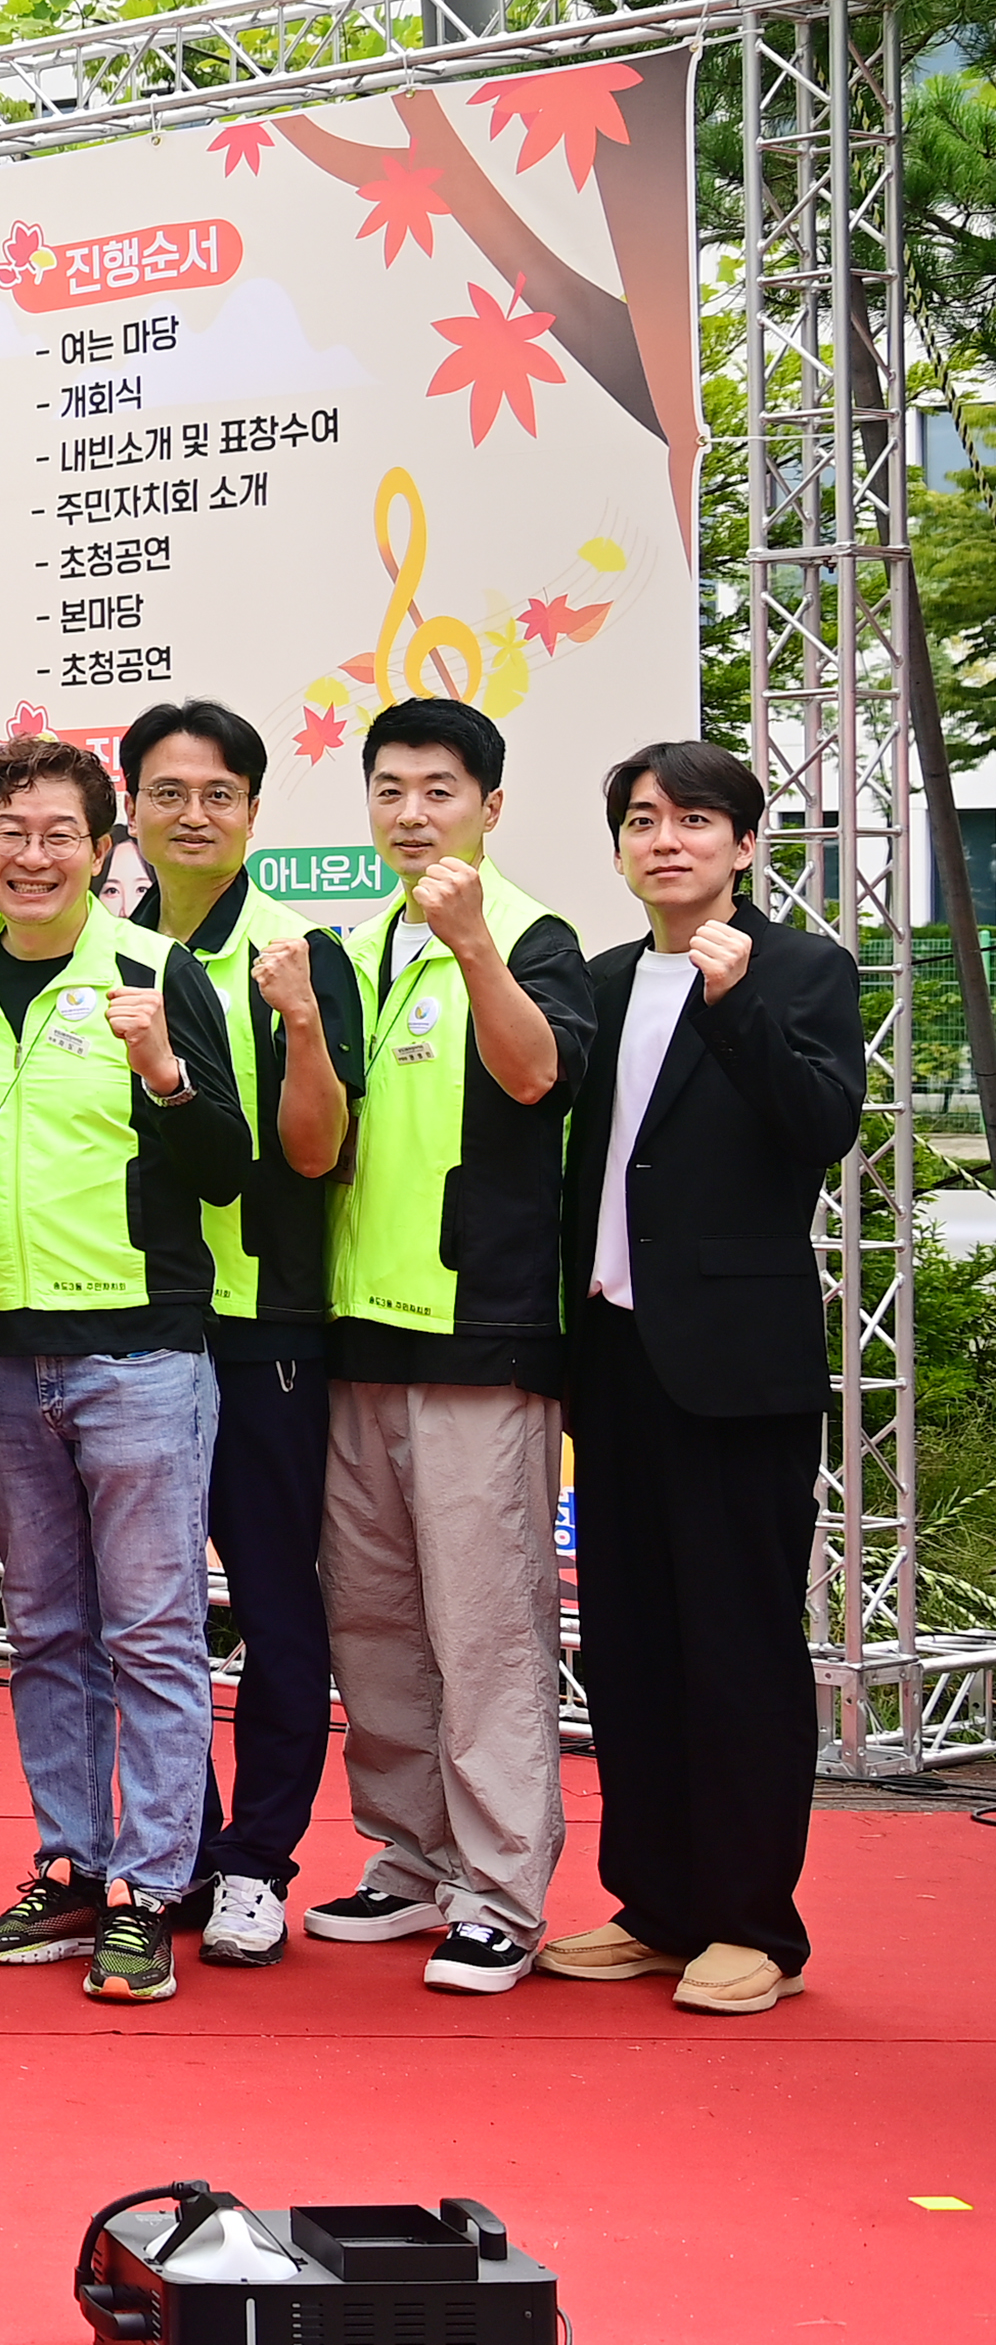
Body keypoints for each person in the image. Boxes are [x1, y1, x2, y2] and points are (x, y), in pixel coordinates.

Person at [0, 734, 249, 2007]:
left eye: (61, 832)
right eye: (11, 832)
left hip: (140, 1354)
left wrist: (163, 1070)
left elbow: (227, 1167)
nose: (35, 855)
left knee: (155, 1631)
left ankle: (154, 1887)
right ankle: (73, 1863)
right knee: (47, 1626)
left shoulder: (158, 973)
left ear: (104, 849)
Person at [545, 740, 856, 2015]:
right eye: (642, 820)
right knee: (629, 1645)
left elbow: (821, 1129)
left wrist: (736, 1012)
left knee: (738, 1647)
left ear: (743, 843)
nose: (665, 840)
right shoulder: (606, 980)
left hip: (737, 1368)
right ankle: (657, 1906)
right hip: (615, 1353)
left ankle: (752, 1924)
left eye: (693, 820)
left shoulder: (800, 970)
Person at [313, 698, 596, 1995]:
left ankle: (501, 1890)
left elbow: (538, 1077)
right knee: (375, 1623)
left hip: (484, 1337)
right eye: (391, 790)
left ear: (490, 805)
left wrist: (475, 945)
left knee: (486, 1628)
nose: (412, 813)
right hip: (357, 1337)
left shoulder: (535, 935)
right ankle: (411, 1856)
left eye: (439, 790)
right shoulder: (355, 946)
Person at [117, 700, 361, 1972]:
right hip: (127, 1323)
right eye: (167, 792)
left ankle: (259, 1859)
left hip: (262, 1325)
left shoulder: (300, 952)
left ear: (256, 811)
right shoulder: (101, 953)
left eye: (218, 793)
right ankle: (178, 1849)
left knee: (271, 1597)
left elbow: (319, 1153)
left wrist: (302, 1020)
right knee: (144, 1613)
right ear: (132, 810)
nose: (193, 814)